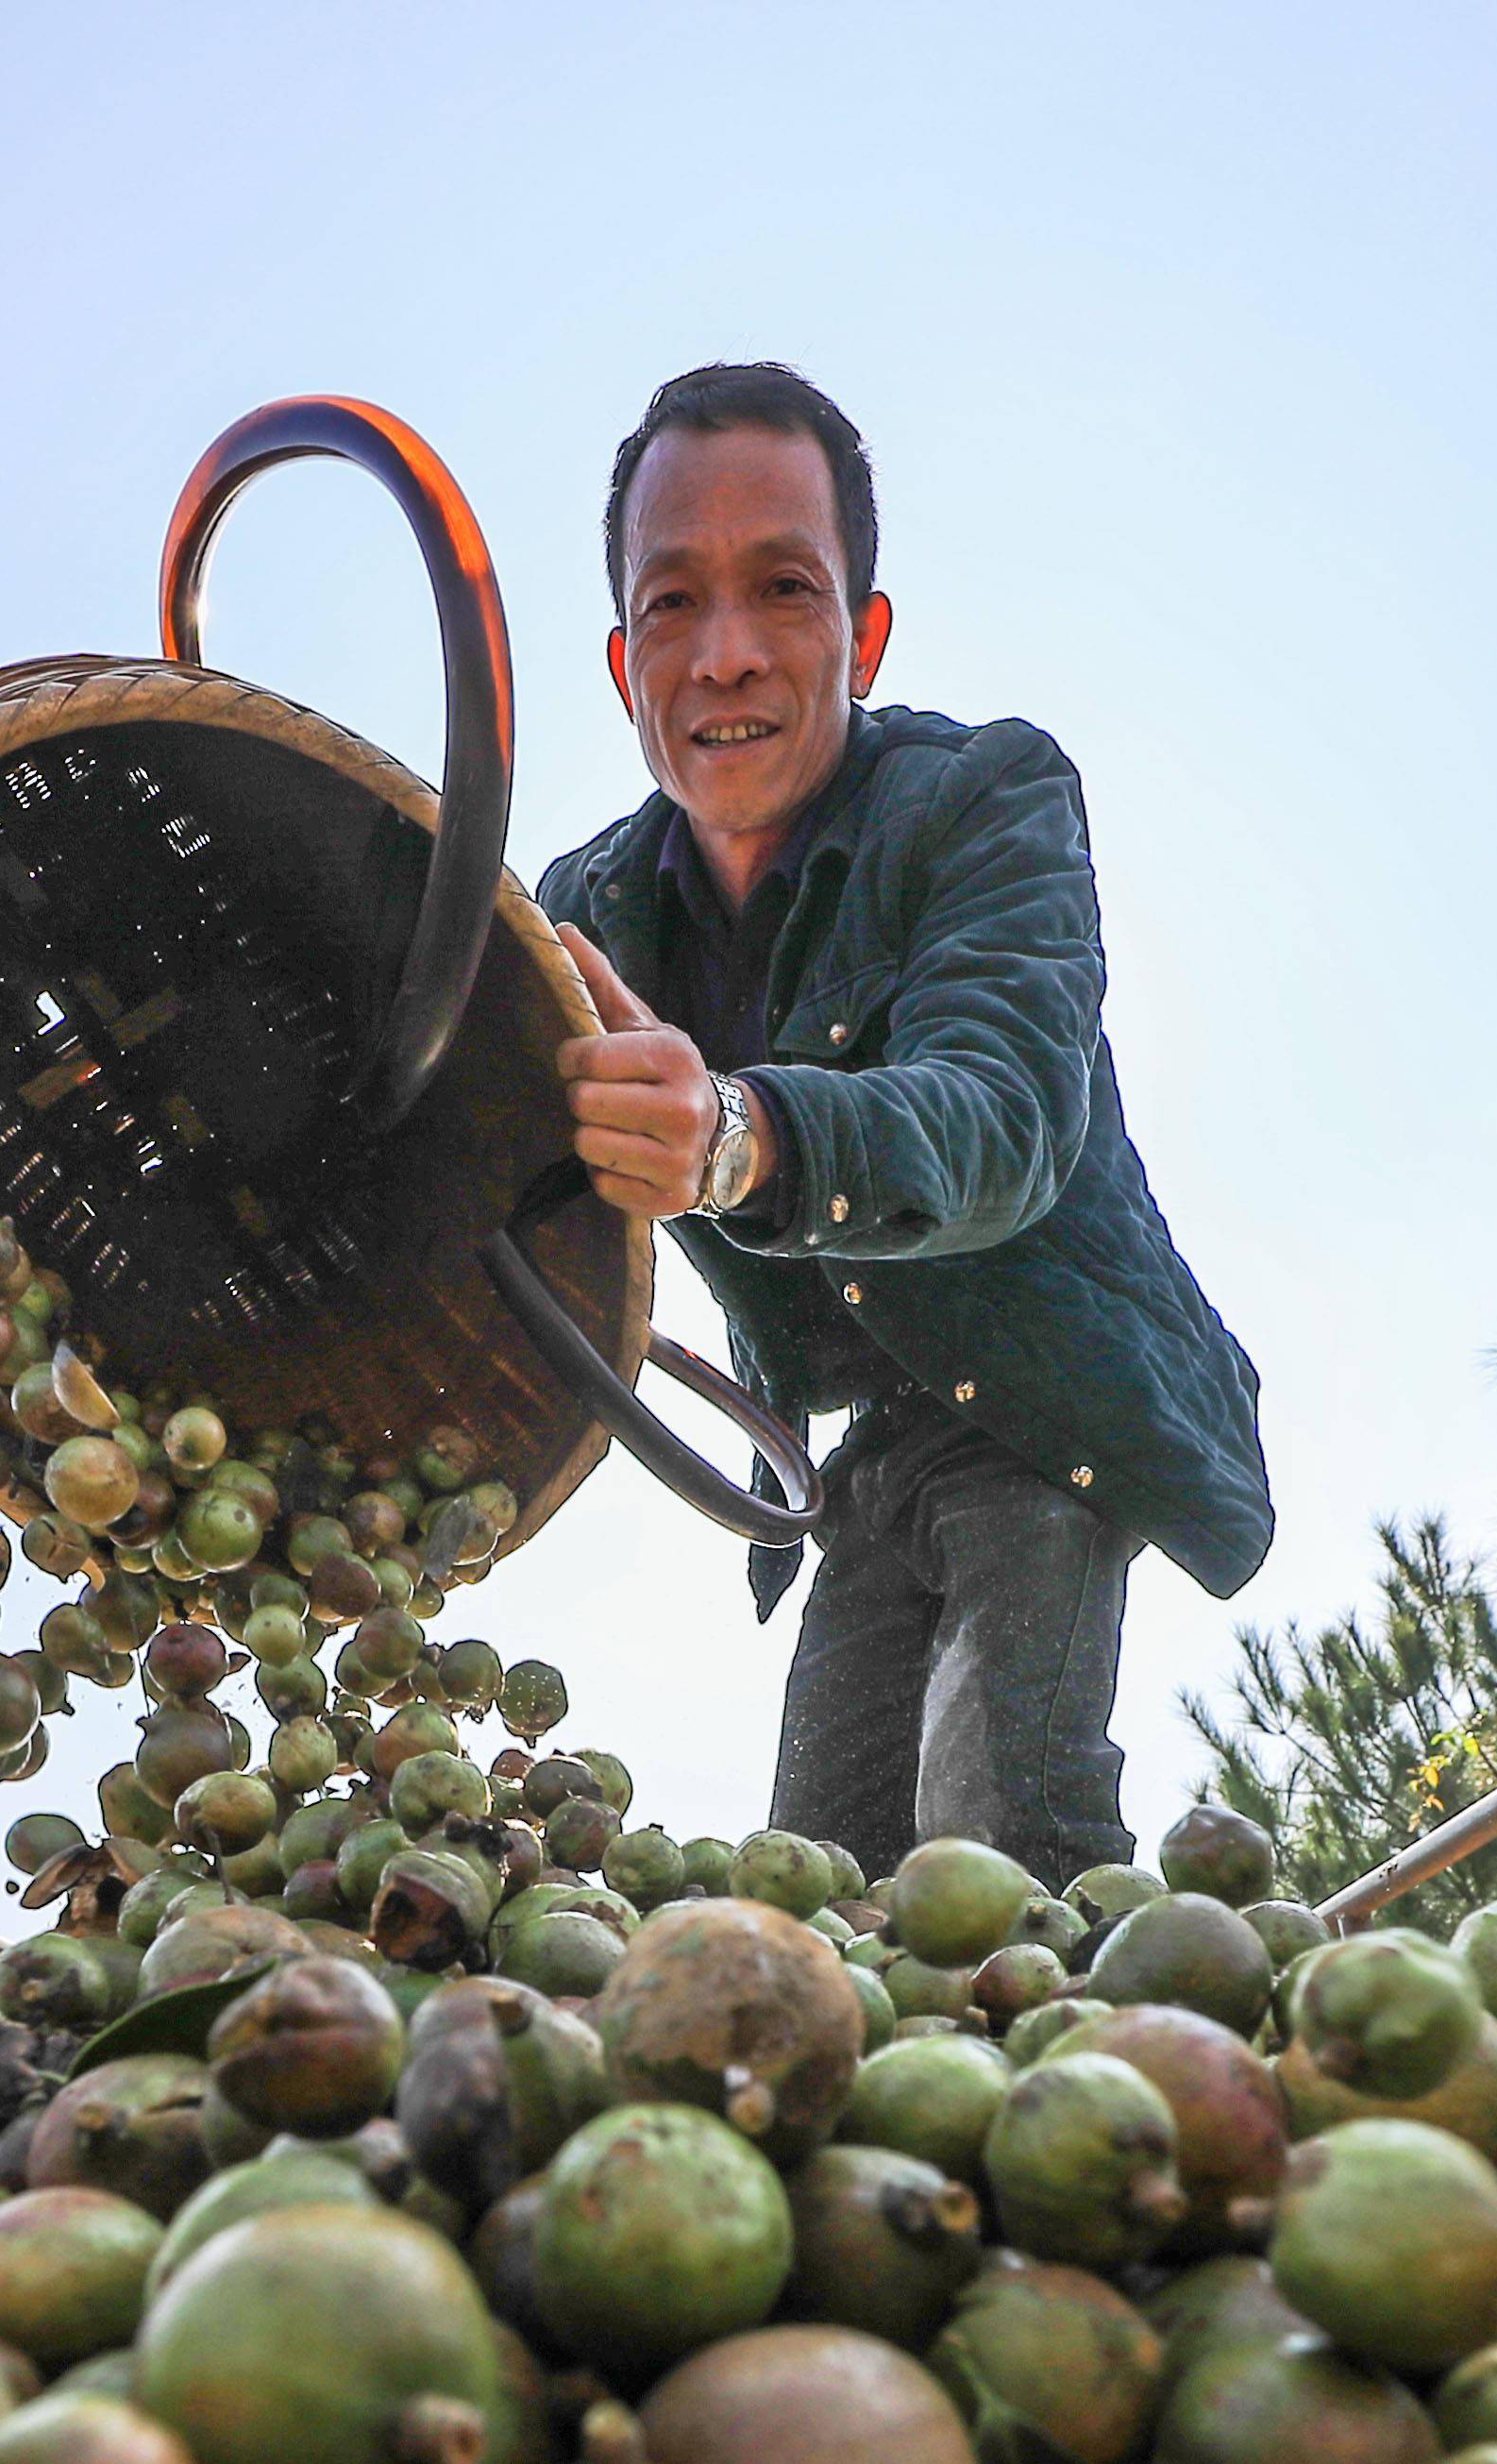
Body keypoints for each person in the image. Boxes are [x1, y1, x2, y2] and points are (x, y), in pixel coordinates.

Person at [537, 362, 1270, 1887]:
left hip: (1045, 1408)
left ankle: (1101, 2091)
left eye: (781, 590)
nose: (724, 655)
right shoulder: (584, 916)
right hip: (860, 1452)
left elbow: (1000, 1114)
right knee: (814, 1879)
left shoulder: (984, 800)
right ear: (624, 666)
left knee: (1000, 1845)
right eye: (673, 605)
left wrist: (740, 1135)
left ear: (860, 634)